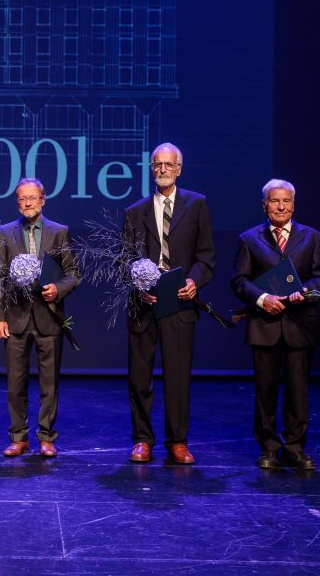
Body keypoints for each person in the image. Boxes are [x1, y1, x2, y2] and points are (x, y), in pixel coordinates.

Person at [122, 142, 216, 464]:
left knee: (177, 375)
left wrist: (194, 281)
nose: (162, 169)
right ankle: (142, 440)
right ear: (152, 169)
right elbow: (124, 261)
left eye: (168, 164)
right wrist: (137, 284)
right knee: (140, 376)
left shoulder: (197, 204)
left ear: (179, 169)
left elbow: (206, 257)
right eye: (157, 164)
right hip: (144, 303)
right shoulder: (135, 211)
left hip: (178, 301)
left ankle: (178, 441)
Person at [232, 179, 320, 470]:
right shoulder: (249, 239)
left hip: (300, 323)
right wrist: (262, 298)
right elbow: (239, 281)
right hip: (265, 324)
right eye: (275, 201)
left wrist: (307, 292)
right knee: (266, 390)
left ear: (294, 204)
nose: (281, 206)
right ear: (265, 205)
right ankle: (269, 447)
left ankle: (294, 447)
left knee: (298, 389)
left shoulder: (312, 237)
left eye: (286, 201)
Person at [0, 178, 82, 458]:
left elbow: (74, 274)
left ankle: (46, 436)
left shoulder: (59, 232)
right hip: (16, 318)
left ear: (43, 200)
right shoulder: (6, 233)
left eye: (33, 198)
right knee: (15, 383)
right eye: (22, 199)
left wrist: (59, 289)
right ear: (17, 202)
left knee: (49, 382)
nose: (27, 203)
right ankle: (18, 437)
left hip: (48, 318)